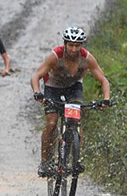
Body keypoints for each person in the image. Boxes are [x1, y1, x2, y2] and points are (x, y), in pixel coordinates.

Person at [30, 27, 111, 177]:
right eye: (71, 45)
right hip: (53, 87)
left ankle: (75, 158)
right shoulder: (55, 56)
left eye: (77, 45)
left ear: (81, 46)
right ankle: (45, 162)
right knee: (52, 123)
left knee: (75, 120)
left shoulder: (87, 58)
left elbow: (103, 79)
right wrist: (37, 93)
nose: (74, 49)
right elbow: (36, 76)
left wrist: (106, 99)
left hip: (73, 88)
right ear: (65, 44)